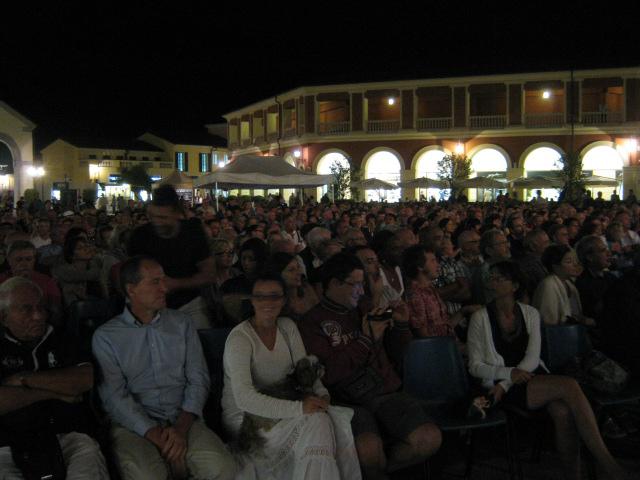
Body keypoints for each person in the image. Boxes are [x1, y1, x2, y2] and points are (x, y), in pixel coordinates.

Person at [467, 261, 630, 480]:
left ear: (514, 285)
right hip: (495, 385)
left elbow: (533, 358)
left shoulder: (530, 314)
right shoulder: (480, 318)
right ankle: (608, 464)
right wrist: (506, 376)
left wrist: (507, 382)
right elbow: (475, 366)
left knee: (562, 411)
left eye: (500, 278)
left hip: (520, 380)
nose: (493, 282)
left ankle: (574, 475)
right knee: (569, 386)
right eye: (492, 278)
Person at [92, 255, 236, 480]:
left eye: (164, 280)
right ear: (131, 290)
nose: (165, 288)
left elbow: (198, 379)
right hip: (134, 425)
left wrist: (179, 430)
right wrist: (156, 435)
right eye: (155, 282)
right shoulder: (107, 337)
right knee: (148, 476)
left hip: (182, 418)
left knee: (223, 468)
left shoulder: (181, 323)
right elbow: (115, 397)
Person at [300, 253, 442, 479]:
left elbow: (397, 353)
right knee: (368, 452)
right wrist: (366, 340)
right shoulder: (312, 322)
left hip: (385, 390)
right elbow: (330, 374)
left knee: (429, 438)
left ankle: (376, 473)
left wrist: (402, 325)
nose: (360, 290)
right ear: (334, 284)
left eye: (361, 283)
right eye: (354, 284)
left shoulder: (366, 307)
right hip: (346, 399)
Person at [222, 274, 360, 479]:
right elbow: (244, 399)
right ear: (251, 300)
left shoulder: (287, 327)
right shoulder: (240, 338)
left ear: (283, 300)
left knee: (326, 419)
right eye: (260, 297)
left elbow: (305, 370)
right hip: (247, 420)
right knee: (317, 422)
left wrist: (322, 393)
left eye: (274, 296)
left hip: (287, 403)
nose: (268, 302)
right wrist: (299, 408)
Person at [0, 277, 108, 479]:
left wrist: (24, 379)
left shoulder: (62, 338)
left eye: (41, 307)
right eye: (26, 309)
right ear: (4, 317)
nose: (38, 315)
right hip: (9, 442)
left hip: (69, 434)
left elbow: (84, 379)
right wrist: (52, 392)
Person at [128, 185, 215, 329]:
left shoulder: (193, 232)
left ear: (176, 213)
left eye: (163, 217)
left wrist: (175, 283)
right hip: (150, 305)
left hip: (190, 304)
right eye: (153, 217)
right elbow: (130, 275)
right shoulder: (140, 236)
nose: (157, 222)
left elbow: (209, 274)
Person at [403, 245, 479, 340]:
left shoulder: (430, 289)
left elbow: (444, 326)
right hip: (439, 351)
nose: (437, 264)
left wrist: (463, 311)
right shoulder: (415, 295)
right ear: (420, 266)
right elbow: (424, 336)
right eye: (433, 261)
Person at [0, 240, 63, 327]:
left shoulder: (46, 281)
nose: (24, 264)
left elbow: (56, 311)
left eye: (29, 259)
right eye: (19, 260)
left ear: (34, 260)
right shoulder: (1, 281)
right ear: (9, 260)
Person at [532, 244, 593, 326]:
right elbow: (548, 321)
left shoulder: (569, 284)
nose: (575, 264)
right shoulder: (549, 285)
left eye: (575, 261)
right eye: (569, 262)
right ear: (555, 266)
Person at [264, 252, 319, 320]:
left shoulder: (306, 288)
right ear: (277, 275)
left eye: (298, 267)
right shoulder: (275, 304)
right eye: (291, 270)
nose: (299, 272)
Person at [52, 235, 102, 306]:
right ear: (71, 255)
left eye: (86, 246)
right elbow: (93, 274)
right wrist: (93, 259)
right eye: (80, 248)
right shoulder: (64, 270)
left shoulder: (89, 267)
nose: (86, 249)